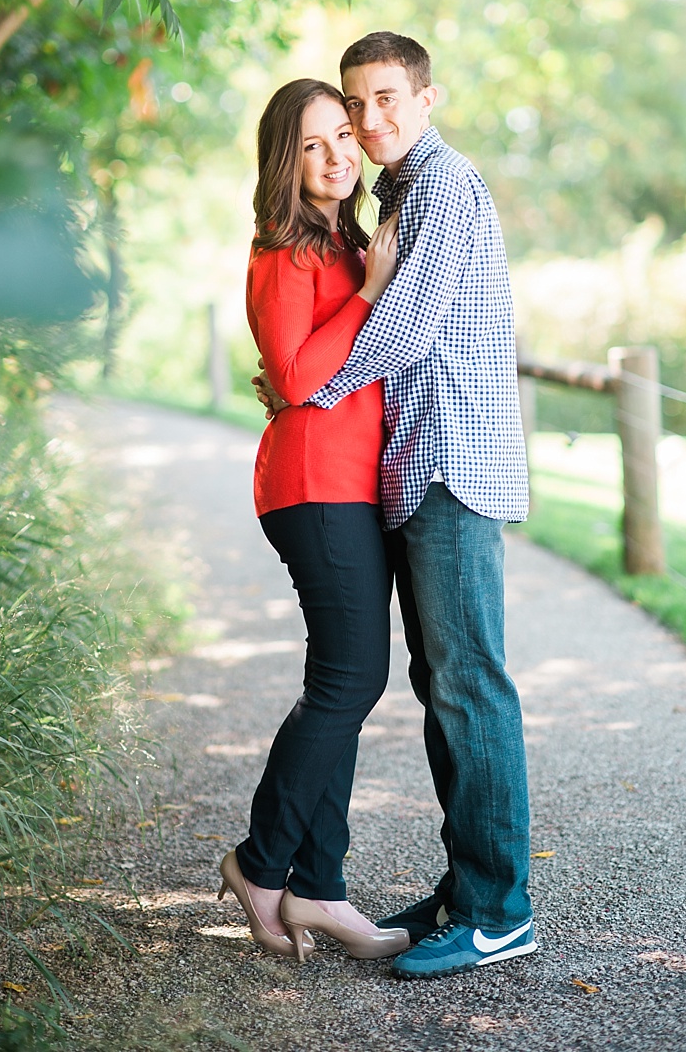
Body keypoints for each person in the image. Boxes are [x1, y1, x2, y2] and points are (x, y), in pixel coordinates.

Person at [257, 32, 537, 981]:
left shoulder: (445, 188)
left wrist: (306, 392)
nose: (368, 122)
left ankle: (500, 909)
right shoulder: (395, 195)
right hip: (415, 472)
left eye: (384, 101)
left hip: (452, 468)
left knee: (470, 685)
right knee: (439, 687)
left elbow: (404, 327)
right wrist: (304, 383)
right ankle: (468, 890)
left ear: (425, 99)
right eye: (352, 105)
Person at [218, 77, 410, 964]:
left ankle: (319, 891)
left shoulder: (337, 239)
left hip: (345, 485)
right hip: (313, 488)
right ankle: (263, 866)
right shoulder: (288, 250)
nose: (338, 154)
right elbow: (296, 377)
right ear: (282, 163)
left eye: (345, 135)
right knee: (351, 682)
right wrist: (368, 294)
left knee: (342, 684)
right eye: (314, 144)